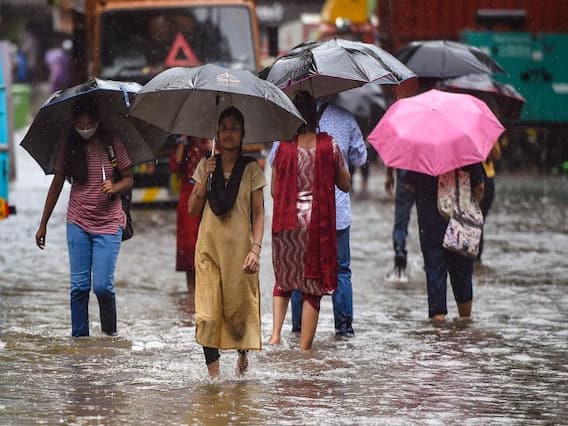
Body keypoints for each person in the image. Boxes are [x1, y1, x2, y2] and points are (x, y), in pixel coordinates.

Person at [35, 97, 133, 337]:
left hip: (109, 222)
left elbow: (129, 178)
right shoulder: (68, 145)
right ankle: (80, 341)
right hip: (78, 221)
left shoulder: (112, 143)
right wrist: (43, 224)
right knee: (79, 287)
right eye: (80, 124)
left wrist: (115, 187)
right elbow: (57, 183)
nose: (85, 128)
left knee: (102, 286)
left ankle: (109, 336)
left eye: (90, 123)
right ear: (73, 124)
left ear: (98, 121)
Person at [269, 101, 366, 337]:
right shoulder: (342, 123)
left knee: (295, 274)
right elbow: (359, 159)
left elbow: (274, 180)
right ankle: (344, 330)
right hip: (332, 216)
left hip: (291, 220)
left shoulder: (284, 139)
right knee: (340, 271)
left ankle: (296, 330)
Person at [188, 107, 266, 378]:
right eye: (223, 128)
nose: (228, 133)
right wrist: (204, 180)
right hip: (208, 250)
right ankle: (214, 381)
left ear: (243, 133)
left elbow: (259, 213)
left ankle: (242, 356)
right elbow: (192, 210)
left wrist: (256, 249)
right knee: (207, 314)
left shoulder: (251, 168)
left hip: (240, 253)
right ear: (217, 133)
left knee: (237, 313)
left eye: (234, 128)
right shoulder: (206, 164)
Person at [406, 164, 484, 322]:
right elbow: (479, 186)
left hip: (430, 225)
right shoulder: (465, 152)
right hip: (460, 224)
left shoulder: (421, 155)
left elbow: (409, 183)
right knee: (463, 276)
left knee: (435, 277)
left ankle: (438, 333)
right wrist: (470, 207)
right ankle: (464, 326)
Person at [169, 135, 210, 294]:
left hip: (209, 195)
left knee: (207, 242)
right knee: (188, 244)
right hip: (188, 194)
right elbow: (175, 166)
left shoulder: (213, 142)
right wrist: (182, 142)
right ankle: (191, 291)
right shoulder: (185, 143)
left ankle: (205, 289)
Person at [384, 167, 416, 279]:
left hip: (404, 175)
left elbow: (394, 157)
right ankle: (430, 262)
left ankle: (399, 249)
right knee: (427, 224)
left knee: (401, 221)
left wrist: (389, 174)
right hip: (426, 178)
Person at [478, 141, 501, 262]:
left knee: (476, 221)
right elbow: (496, 154)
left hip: (483, 178)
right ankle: (475, 261)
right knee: (477, 222)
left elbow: (496, 154)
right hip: (484, 178)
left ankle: (475, 260)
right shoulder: (485, 132)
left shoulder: (485, 132)